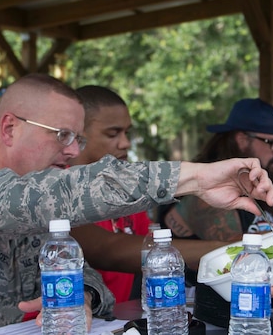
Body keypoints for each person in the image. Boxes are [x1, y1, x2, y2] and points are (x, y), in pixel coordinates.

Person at [0, 74, 273, 334]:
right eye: (61, 135)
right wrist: (193, 177)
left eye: (79, 139)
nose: (72, 151)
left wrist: (83, 299)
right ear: (9, 128)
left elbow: (90, 281)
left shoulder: (37, 202)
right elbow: (50, 197)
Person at [68, 85, 225, 302]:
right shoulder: (60, 193)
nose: (125, 143)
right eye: (113, 134)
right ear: (78, 135)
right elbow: (111, 250)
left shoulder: (129, 190)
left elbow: (150, 248)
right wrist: (225, 249)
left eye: (127, 133)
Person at [160, 97, 273, 242]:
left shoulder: (263, 179)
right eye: (272, 143)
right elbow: (233, 247)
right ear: (242, 140)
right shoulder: (211, 186)